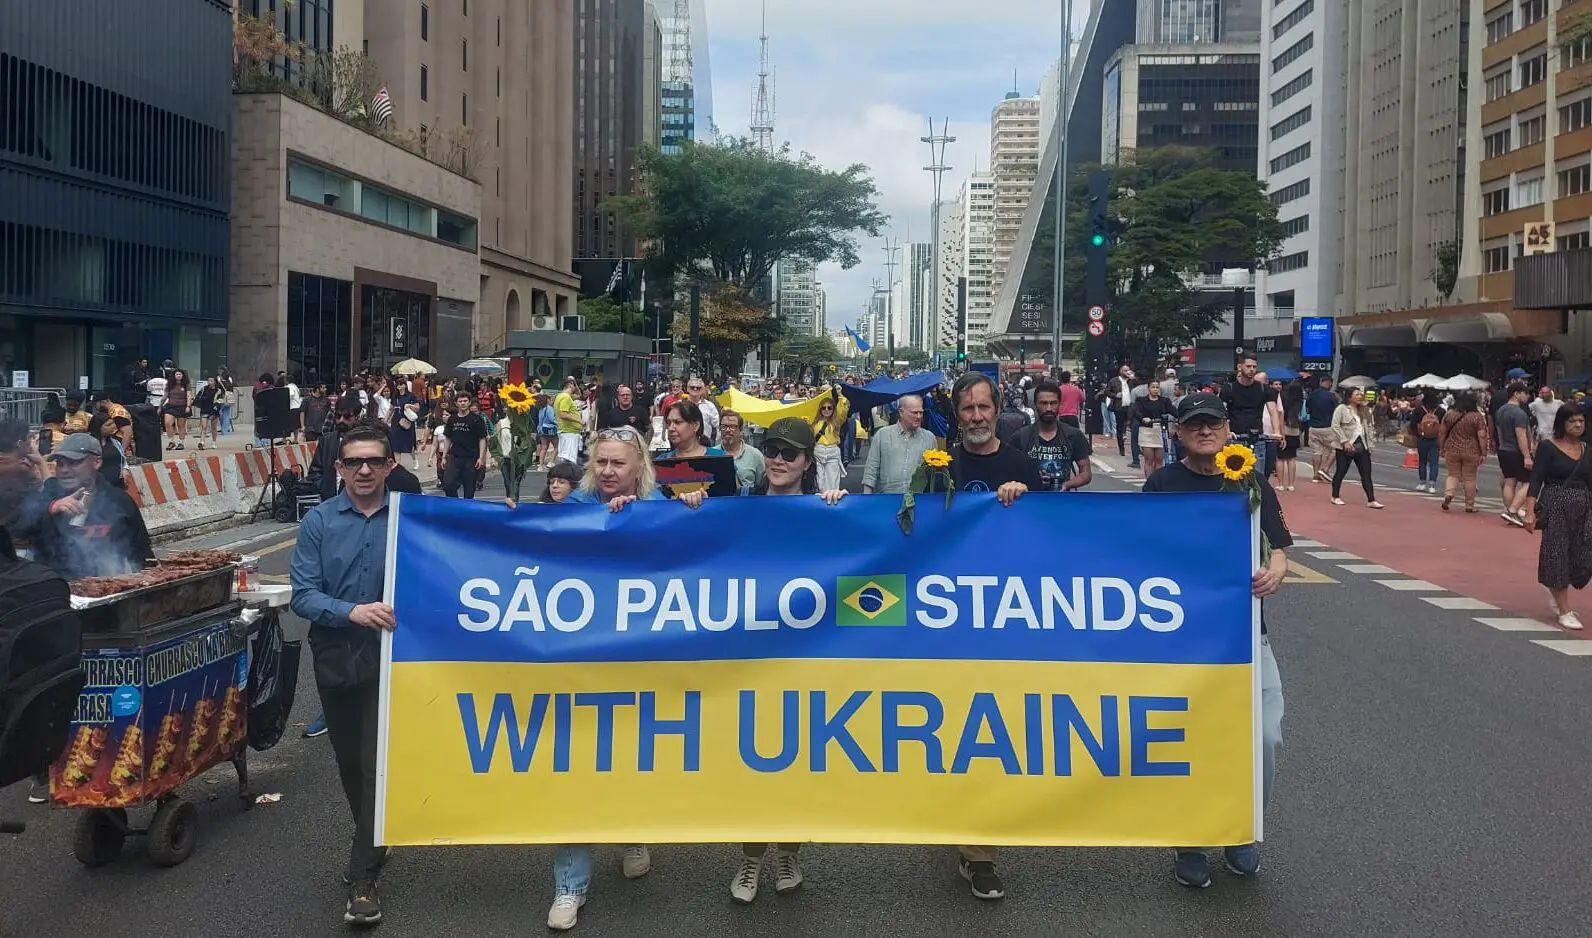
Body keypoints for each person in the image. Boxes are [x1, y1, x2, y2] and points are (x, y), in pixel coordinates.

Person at [1141, 393, 1291, 888]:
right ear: (1179, 433)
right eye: (1194, 425)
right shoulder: (1162, 483)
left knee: (1265, 735)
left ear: (1228, 428)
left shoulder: (1248, 478)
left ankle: (1241, 827)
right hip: (1183, 637)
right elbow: (1134, 548)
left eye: (1213, 423)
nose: (1205, 431)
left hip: (1247, 634)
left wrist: (1275, 572)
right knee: (1192, 739)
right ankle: (1191, 838)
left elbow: (1280, 547)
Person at [727, 415, 845, 904]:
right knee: (752, 763)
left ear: (806, 463)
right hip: (749, 658)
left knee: (796, 762)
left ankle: (788, 853)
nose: (777, 460)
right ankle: (751, 858)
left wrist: (841, 510)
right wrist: (690, 504)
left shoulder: (824, 511)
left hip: (804, 658)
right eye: (771, 450)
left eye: (788, 454)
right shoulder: (737, 510)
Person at [289, 426, 400, 927]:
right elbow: (302, 595)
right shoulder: (318, 521)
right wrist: (350, 611)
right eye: (353, 462)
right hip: (335, 652)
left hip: (394, 658)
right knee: (350, 768)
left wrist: (506, 516)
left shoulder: (408, 517)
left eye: (373, 462)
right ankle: (374, 838)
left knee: (375, 765)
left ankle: (363, 880)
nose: (363, 471)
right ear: (339, 468)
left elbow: (468, 545)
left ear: (389, 465)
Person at [943, 371, 1039, 901]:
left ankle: (982, 854)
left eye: (984, 407)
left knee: (993, 737)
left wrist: (1025, 500)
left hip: (1007, 621)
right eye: (967, 409)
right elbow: (904, 526)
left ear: (997, 408)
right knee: (954, 733)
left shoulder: (1021, 464)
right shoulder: (937, 467)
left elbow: (1053, 534)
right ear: (956, 414)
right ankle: (959, 830)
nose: (976, 417)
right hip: (947, 622)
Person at [15, 434, 153, 580]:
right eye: (60, 464)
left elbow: (142, 554)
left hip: (106, 587)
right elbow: (17, 528)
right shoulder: (47, 496)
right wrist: (50, 508)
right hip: (53, 589)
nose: (64, 470)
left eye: (74, 463)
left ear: (97, 462)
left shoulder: (119, 502)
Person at [1524, 404, 1591, 630]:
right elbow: (1536, 480)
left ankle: (1555, 587)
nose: (1578, 425)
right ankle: (1564, 609)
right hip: (1555, 506)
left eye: (1581, 421)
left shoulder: (1586, 449)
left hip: (1583, 508)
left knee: (1582, 556)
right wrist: (1530, 511)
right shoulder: (1548, 447)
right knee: (1557, 554)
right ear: (1562, 423)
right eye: (1573, 421)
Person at [1009, 379, 1093, 491]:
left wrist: (1067, 485)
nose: (1048, 408)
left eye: (1053, 403)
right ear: (1035, 405)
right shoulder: (1020, 437)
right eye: (1043, 403)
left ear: (1059, 404)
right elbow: (1008, 472)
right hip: (1030, 502)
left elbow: (1086, 473)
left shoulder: (1073, 435)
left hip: (1061, 503)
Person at [862, 394, 935, 494]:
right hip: (887, 500)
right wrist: (866, 501)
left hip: (919, 500)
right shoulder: (882, 435)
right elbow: (871, 470)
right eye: (914, 413)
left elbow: (934, 475)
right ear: (901, 412)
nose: (918, 416)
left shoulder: (929, 438)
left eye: (921, 413)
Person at [1329, 387, 1384, 509]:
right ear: (1349, 396)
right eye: (1357, 395)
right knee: (1341, 470)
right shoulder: (1342, 409)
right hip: (1346, 445)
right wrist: (1344, 441)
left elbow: (1369, 428)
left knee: (1366, 473)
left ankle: (1371, 499)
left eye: (1361, 395)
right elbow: (1335, 425)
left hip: (1362, 444)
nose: (1360, 397)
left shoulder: (1365, 410)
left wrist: (1370, 445)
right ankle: (1335, 496)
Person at [1438, 392, 1490, 513]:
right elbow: (1482, 436)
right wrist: (1483, 452)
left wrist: (1441, 448)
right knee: (1470, 478)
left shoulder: (1449, 414)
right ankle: (1469, 505)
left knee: (1452, 475)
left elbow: (1442, 432)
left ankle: (1449, 494)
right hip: (1471, 450)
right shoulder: (1477, 416)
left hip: (1452, 448)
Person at [1495, 382, 1535, 527]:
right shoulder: (1519, 413)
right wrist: (1527, 456)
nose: (1527, 396)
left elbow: (1499, 432)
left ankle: (1510, 511)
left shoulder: (1500, 411)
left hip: (1504, 449)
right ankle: (1513, 510)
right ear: (1516, 394)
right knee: (1529, 482)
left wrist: (1500, 446)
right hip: (1516, 450)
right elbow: (1521, 436)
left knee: (1509, 481)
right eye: (1525, 393)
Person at [439, 392, 489, 499]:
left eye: (465, 401)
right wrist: (444, 456)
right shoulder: (452, 419)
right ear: (456, 403)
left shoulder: (476, 419)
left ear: (469, 403)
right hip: (454, 456)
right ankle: (455, 505)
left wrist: (481, 458)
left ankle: (467, 511)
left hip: (471, 458)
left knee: (469, 489)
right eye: (460, 401)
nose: (463, 403)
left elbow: (482, 439)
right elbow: (448, 438)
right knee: (448, 484)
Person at [1131, 380, 1174, 478]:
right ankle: (1149, 481)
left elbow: (1173, 411)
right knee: (1149, 459)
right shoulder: (1141, 400)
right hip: (1146, 431)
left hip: (1160, 431)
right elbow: (1136, 412)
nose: (1155, 389)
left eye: (1157, 387)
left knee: (1159, 459)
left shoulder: (1165, 401)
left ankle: (1157, 481)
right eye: (1153, 387)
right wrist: (1143, 418)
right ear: (1148, 388)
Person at [808, 389, 849, 491]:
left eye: (829, 408)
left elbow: (843, 409)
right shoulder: (815, 422)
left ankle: (832, 502)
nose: (826, 410)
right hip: (818, 451)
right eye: (823, 408)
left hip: (832, 452)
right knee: (819, 482)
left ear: (833, 409)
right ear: (820, 409)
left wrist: (840, 394)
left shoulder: (837, 421)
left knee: (832, 482)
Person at [660, 400, 725, 460]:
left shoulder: (720, 458)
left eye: (678, 422)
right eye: (668, 423)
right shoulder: (661, 462)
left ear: (695, 426)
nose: (671, 428)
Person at [719, 410, 766, 491]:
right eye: (724, 426)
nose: (727, 430)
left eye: (732, 427)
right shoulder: (711, 454)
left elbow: (761, 486)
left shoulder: (755, 455)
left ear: (741, 430)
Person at [1408, 391, 1444, 494]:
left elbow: (1412, 425)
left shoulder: (1419, 410)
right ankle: (1432, 485)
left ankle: (1422, 483)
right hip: (1436, 439)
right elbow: (1445, 425)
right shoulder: (1441, 411)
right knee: (1434, 463)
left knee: (1422, 461)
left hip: (1422, 438)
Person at [553, 377, 584, 464]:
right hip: (569, 432)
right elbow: (563, 414)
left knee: (565, 457)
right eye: (573, 384)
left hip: (566, 431)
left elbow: (579, 395)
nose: (575, 387)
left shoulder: (562, 396)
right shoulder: (566, 398)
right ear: (569, 385)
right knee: (569, 459)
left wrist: (574, 382)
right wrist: (578, 420)